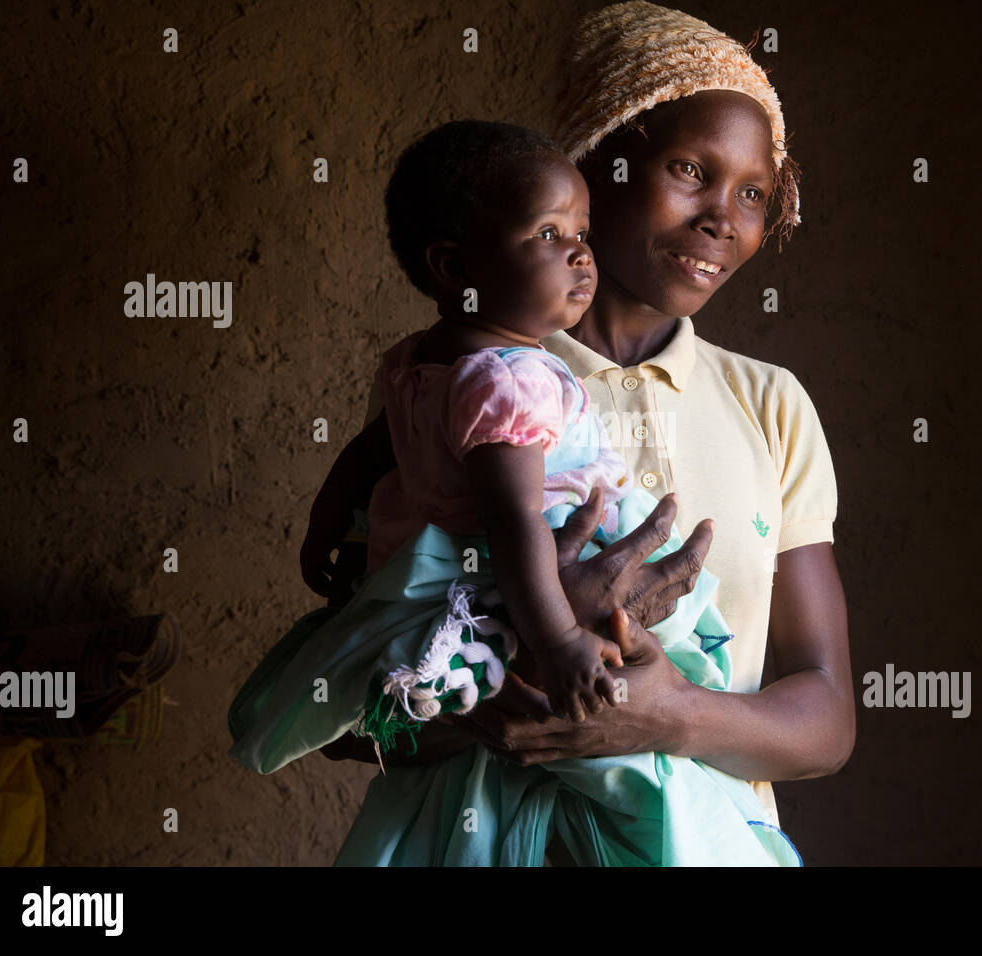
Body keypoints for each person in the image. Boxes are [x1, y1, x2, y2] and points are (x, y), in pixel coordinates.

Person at [304, 0, 856, 864]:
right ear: (597, 165)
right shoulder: (471, 390)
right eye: (688, 169)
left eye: (752, 194)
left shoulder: (771, 406)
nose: (723, 216)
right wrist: (514, 688)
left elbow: (826, 722)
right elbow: (344, 701)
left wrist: (668, 716)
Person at [229, 118, 803, 866]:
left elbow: (369, 456)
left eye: (580, 232)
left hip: (438, 594)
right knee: (654, 770)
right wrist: (557, 637)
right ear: (453, 266)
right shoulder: (514, 377)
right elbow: (515, 521)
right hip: (525, 575)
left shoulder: (415, 362)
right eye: (548, 233)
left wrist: (325, 524)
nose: (579, 253)